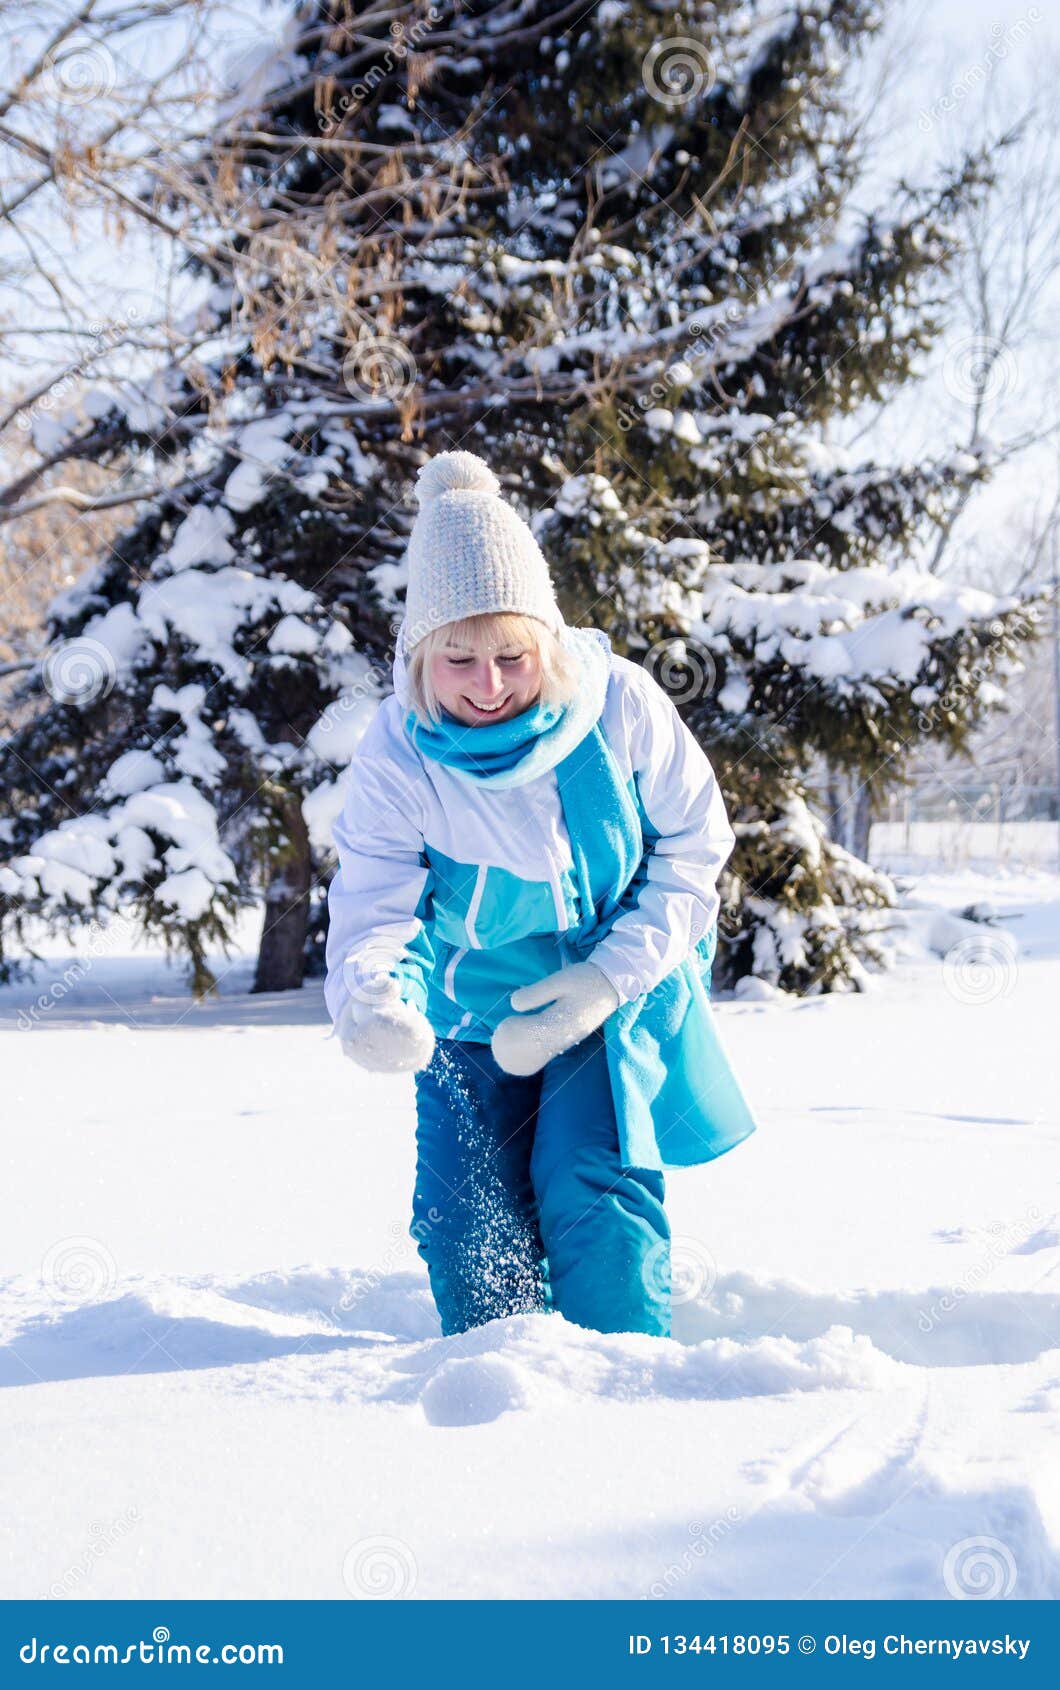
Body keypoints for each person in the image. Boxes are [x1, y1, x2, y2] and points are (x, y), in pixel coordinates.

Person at [325, 449, 757, 1340]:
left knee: (589, 1184)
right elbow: (375, 900)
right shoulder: (399, 752)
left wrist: (606, 980)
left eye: (511, 656)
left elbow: (693, 850)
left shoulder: (621, 708)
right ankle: (501, 1385)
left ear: (547, 641)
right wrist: (373, 996)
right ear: (420, 660)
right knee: (465, 1217)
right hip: (469, 1002)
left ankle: (621, 1374)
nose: (488, 685)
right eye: (459, 660)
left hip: (612, 987)